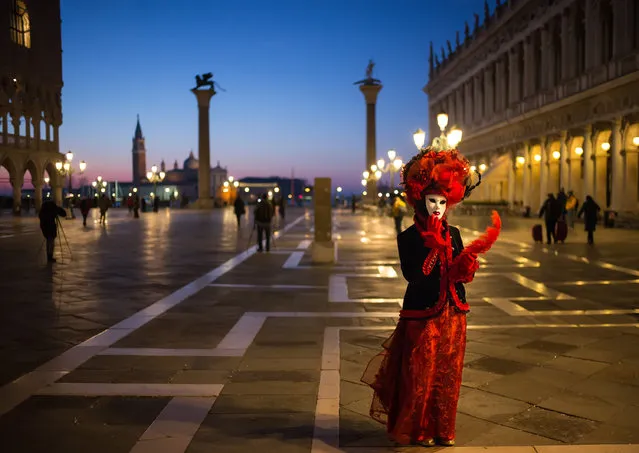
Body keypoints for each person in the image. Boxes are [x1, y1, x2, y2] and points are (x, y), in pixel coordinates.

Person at [361, 147, 501, 447]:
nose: (437, 207)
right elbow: (415, 276)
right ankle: (418, 430)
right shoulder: (408, 237)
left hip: (454, 313)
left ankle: (442, 429)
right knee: (420, 375)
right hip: (422, 314)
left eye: (442, 202)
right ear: (420, 200)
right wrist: (432, 247)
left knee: (447, 375)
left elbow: (462, 275)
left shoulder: (456, 234)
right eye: (432, 201)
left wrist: (466, 266)